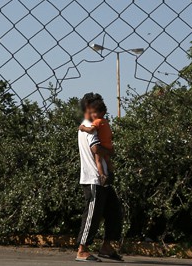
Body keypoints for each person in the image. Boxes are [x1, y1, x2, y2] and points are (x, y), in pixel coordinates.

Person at [75, 93, 124, 263]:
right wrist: (110, 151)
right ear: (88, 109)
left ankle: (106, 246)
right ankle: (82, 249)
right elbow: (96, 149)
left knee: (114, 211)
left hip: (103, 178)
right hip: (93, 179)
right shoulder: (88, 126)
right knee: (93, 214)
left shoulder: (95, 125)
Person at [78, 98, 114, 186]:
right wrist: (110, 151)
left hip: (94, 179)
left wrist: (82, 128)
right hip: (108, 145)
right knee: (107, 160)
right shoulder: (105, 121)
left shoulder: (94, 123)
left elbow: (96, 149)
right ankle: (111, 173)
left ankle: (102, 176)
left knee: (98, 160)